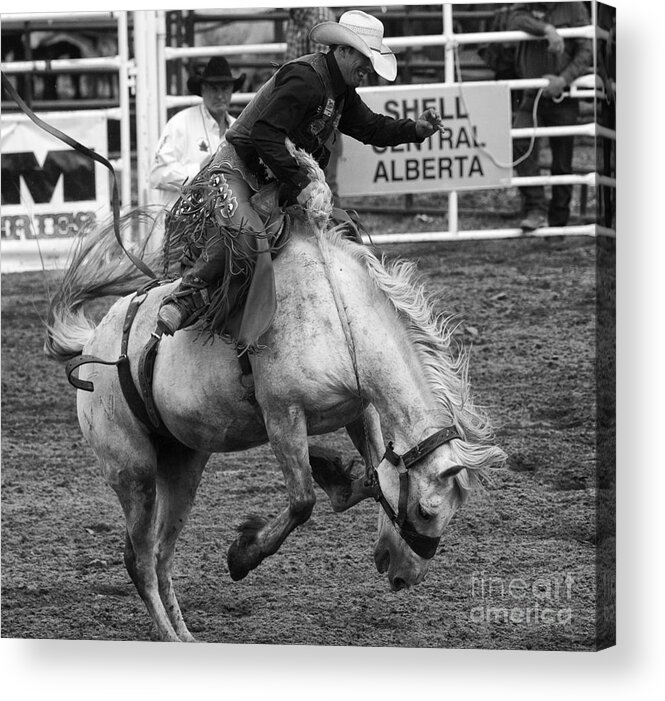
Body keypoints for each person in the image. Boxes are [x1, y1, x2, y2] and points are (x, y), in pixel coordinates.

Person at [157, 9, 447, 342]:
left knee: (344, 233)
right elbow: (264, 134)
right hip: (236, 168)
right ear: (344, 50)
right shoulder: (305, 80)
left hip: (274, 182)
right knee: (248, 235)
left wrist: (415, 129)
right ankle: (186, 295)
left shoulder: (340, 92)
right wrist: (302, 185)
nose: (368, 68)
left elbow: (371, 128)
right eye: (365, 58)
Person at [507, 3, 592, 231]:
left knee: (562, 161)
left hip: (561, 96)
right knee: (521, 142)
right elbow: (514, 18)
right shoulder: (526, 5)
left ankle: (558, 224)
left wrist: (563, 80)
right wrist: (547, 29)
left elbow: (586, 50)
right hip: (530, 93)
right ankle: (535, 208)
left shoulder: (575, 8)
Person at [150, 56, 245, 212]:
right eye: (214, 88)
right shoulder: (180, 124)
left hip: (226, 224)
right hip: (183, 221)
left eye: (225, 88)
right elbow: (157, 175)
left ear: (231, 91)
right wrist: (198, 171)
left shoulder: (238, 129)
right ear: (203, 89)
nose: (220, 95)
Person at [284, 6, 343, 205]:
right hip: (298, 117)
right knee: (304, 184)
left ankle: (332, 234)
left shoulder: (318, 17)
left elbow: (326, 78)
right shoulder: (296, 16)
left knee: (323, 184)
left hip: (317, 119)